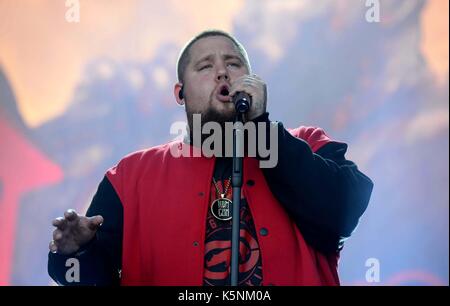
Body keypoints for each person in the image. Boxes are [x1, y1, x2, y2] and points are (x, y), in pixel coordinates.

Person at [48, 29, 373, 286]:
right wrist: (77, 252)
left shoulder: (308, 143)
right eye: (205, 66)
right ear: (180, 93)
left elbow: (344, 212)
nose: (222, 73)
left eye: (234, 64)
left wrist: (262, 130)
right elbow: (92, 278)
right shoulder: (131, 176)